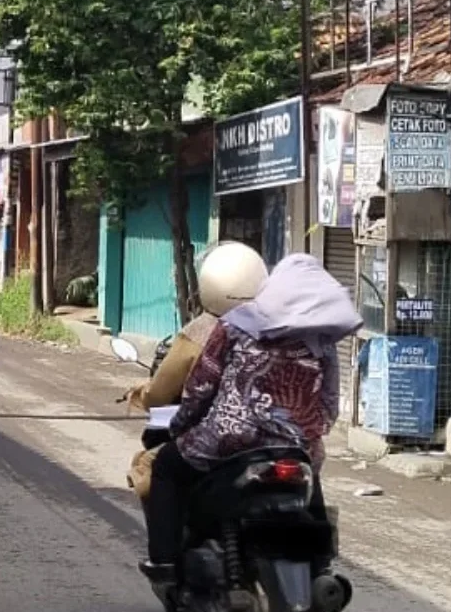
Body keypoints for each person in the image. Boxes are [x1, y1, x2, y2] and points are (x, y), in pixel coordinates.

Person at [141, 254, 362, 584]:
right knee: (310, 480)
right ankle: (321, 571)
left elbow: (202, 385)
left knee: (166, 468)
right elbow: (329, 403)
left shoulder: (236, 324)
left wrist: (181, 424)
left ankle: (165, 565)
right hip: (296, 445)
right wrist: (306, 434)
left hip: (229, 438)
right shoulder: (321, 341)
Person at [125, 241, 268, 498]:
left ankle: (164, 540)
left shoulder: (207, 332)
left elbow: (180, 396)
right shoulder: (279, 333)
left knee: (152, 466)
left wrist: (149, 400)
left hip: (220, 438)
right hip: (283, 443)